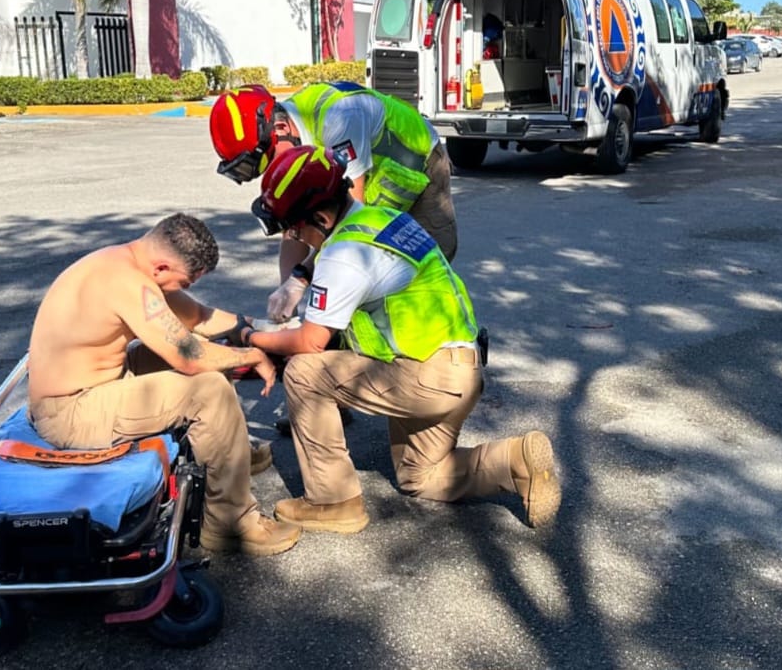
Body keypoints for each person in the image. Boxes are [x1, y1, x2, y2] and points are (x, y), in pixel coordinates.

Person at [240, 146, 562, 533]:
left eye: (294, 229)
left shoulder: (344, 255)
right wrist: (300, 279)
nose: (295, 238)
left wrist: (250, 336)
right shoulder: (385, 218)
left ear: (322, 218)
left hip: (426, 377)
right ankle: (516, 460)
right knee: (419, 476)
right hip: (460, 370)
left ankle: (332, 501)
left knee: (305, 371)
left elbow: (310, 342)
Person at [26, 213, 301, 556]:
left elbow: (197, 318)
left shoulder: (128, 262)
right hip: (70, 412)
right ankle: (230, 523)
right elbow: (190, 355)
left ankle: (233, 455)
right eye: (184, 283)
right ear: (161, 269)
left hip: (94, 385)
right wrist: (252, 355)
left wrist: (259, 330)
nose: (183, 291)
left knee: (209, 362)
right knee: (208, 387)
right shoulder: (128, 283)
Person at [209, 81, 459, 323]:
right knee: (360, 280)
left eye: (271, 160)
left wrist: (302, 277)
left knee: (426, 257)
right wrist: (288, 292)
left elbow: (349, 228)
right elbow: (294, 227)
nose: (275, 170)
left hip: (418, 159)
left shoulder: (339, 118)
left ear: (282, 128)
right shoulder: (289, 136)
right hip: (374, 176)